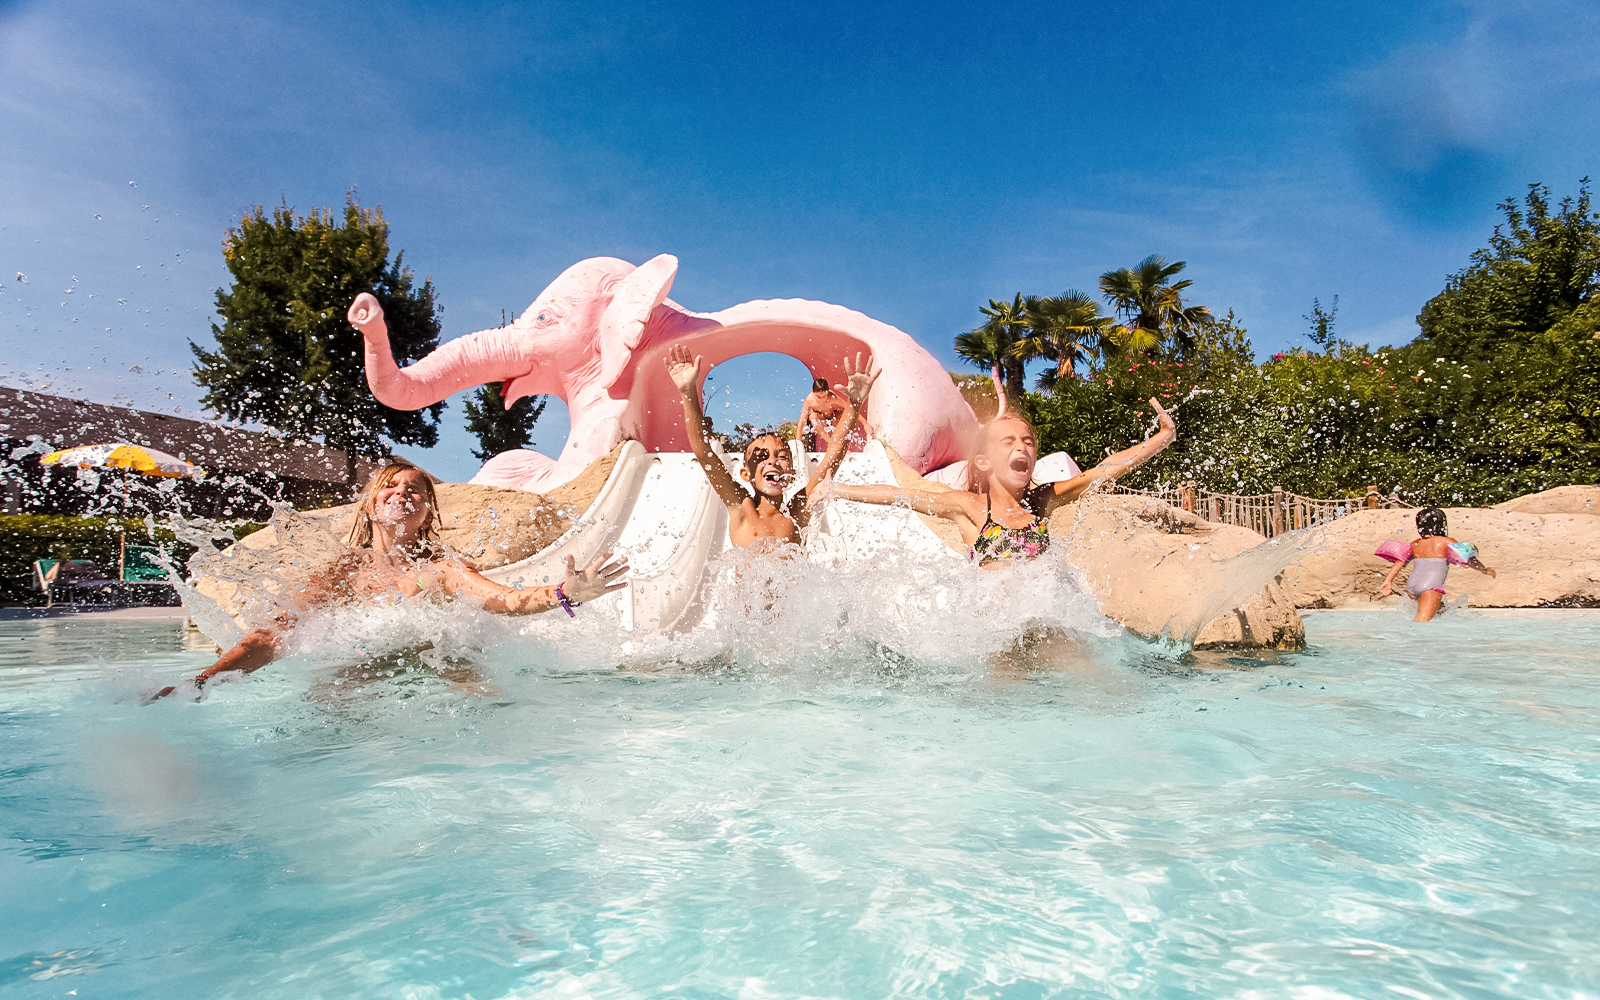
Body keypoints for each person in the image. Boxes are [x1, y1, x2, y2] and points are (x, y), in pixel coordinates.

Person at [151, 459, 628, 699]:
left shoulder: (441, 569)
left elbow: (504, 601)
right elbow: (273, 637)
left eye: (416, 490)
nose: (404, 494)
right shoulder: (343, 573)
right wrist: (203, 681)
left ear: (426, 512)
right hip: (363, 680)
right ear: (370, 505)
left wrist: (567, 593)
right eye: (391, 487)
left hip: (446, 679)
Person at [809, 398, 1176, 567]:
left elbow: (1101, 471)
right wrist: (837, 490)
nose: (1023, 447)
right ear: (984, 460)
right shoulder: (970, 507)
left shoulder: (1042, 501)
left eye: (1029, 442)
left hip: (1041, 625)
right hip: (997, 632)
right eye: (1010, 441)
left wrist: (1160, 440)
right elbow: (900, 495)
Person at [665, 344, 880, 549]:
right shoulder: (741, 507)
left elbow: (833, 455)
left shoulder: (797, 510)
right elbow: (704, 454)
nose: (772, 461)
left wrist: (853, 405)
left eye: (782, 456)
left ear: (793, 472)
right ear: (745, 473)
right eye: (761, 456)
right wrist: (687, 392)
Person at [1376, 507, 1496, 621]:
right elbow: (1468, 559)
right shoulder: (1447, 542)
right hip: (1430, 587)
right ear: (1442, 524)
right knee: (1421, 621)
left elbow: (1400, 561)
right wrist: (1484, 570)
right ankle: (1411, 640)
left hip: (1412, 586)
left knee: (1441, 611)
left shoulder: (1415, 544)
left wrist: (1388, 581)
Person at [798, 377, 874, 452]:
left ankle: (842, 445)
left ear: (827, 392)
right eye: (818, 397)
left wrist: (865, 423)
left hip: (833, 417)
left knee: (842, 416)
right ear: (813, 392)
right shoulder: (809, 400)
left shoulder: (832, 398)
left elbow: (851, 409)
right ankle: (832, 444)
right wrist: (798, 443)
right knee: (812, 416)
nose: (822, 399)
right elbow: (802, 421)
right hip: (821, 418)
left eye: (824, 396)